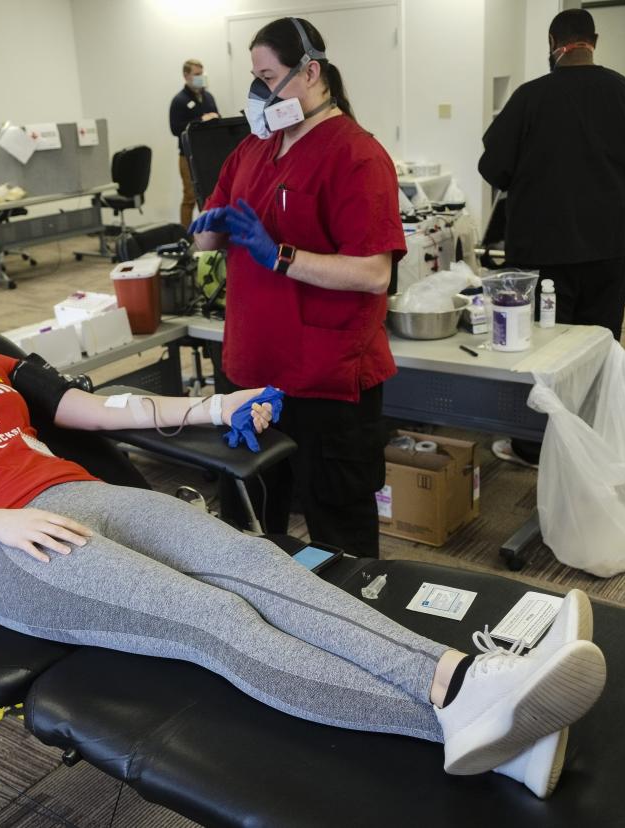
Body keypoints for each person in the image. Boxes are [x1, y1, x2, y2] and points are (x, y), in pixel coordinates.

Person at [0, 276, 608, 797]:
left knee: (247, 560)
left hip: (79, 496)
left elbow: (100, 412)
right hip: (4, 550)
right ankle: (459, 719)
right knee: (214, 617)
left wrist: (211, 405)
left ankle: (458, 676)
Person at [190, 17, 402, 559]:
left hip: (324, 378)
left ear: (311, 73)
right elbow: (209, 237)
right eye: (254, 78)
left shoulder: (357, 155)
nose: (259, 91)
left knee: (338, 528)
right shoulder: (252, 151)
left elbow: (374, 272)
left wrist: (279, 255)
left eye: (268, 76)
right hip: (252, 370)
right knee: (254, 516)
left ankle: (356, 629)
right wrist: (207, 225)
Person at [479, 9, 625, 467]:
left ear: (553, 43)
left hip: (542, 255)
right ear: (593, 41)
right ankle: (591, 443)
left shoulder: (531, 97)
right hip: (606, 250)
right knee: (599, 345)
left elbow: (492, 167)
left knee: (543, 350)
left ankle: (535, 445)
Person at [169, 59, 220, 228]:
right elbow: (175, 129)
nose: (201, 77)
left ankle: (210, 232)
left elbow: (217, 117)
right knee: (190, 196)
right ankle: (185, 235)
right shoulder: (179, 100)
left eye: (202, 74)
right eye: (197, 75)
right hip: (188, 156)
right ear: (186, 76)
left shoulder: (208, 97)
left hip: (209, 154)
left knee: (211, 195)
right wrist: (200, 120)